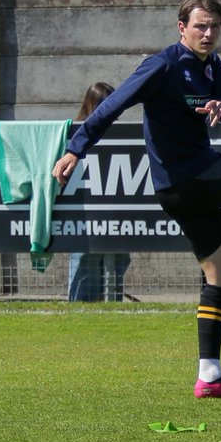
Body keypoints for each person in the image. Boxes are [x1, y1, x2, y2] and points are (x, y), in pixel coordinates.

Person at [52, 0, 221, 398]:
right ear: (182, 28)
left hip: (188, 186)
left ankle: (209, 376)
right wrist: (76, 148)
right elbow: (111, 105)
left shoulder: (212, 64)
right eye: (200, 25)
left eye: (214, 25)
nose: (208, 32)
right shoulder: (161, 65)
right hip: (189, 180)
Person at [66, 83, 132, 302]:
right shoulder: (75, 133)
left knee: (118, 260)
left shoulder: (122, 133)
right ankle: (79, 307)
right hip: (85, 213)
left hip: (116, 213)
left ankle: (113, 303)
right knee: (85, 262)